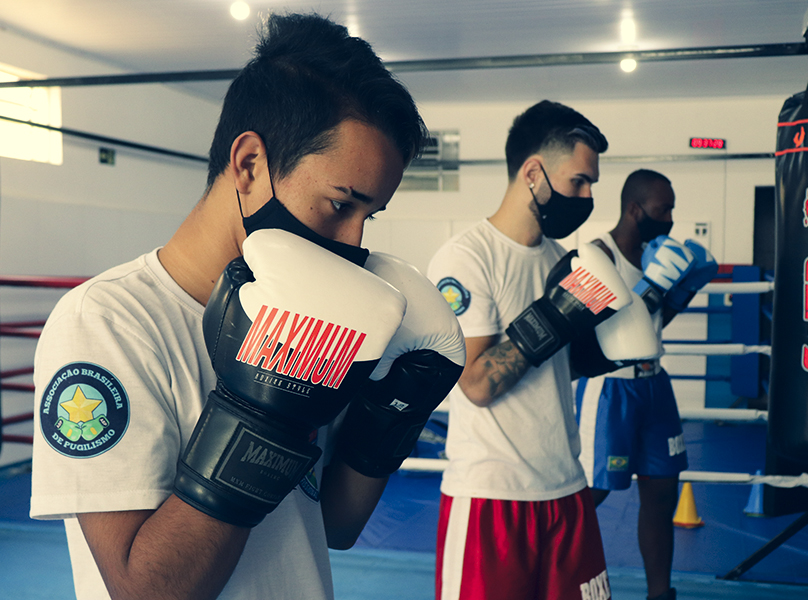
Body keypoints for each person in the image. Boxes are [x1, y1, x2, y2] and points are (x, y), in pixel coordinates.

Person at [29, 13, 465, 600]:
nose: (355, 243)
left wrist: (393, 413)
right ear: (250, 165)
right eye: (340, 204)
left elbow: (334, 523)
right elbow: (145, 591)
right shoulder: (108, 322)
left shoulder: (317, 320)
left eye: (369, 216)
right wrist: (265, 417)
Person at [428, 100, 627, 600]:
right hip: (492, 499)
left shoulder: (563, 262)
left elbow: (558, 369)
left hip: (566, 488)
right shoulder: (467, 256)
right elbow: (475, 384)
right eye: (578, 181)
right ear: (533, 173)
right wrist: (557, 315)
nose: (586, 196)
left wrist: (598, 350)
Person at [574, 169, 718, 600]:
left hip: (655, 386)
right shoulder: (593, 255)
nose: (670, 218)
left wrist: (676, 294)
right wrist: (652, 289)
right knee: (590, 496)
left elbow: (652, 326)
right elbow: (590, 332)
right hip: (610, 389)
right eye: (663, 209)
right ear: (636, 209)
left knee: (661, 494)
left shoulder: (658, 253)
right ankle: (553, 582)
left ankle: (660, 595)